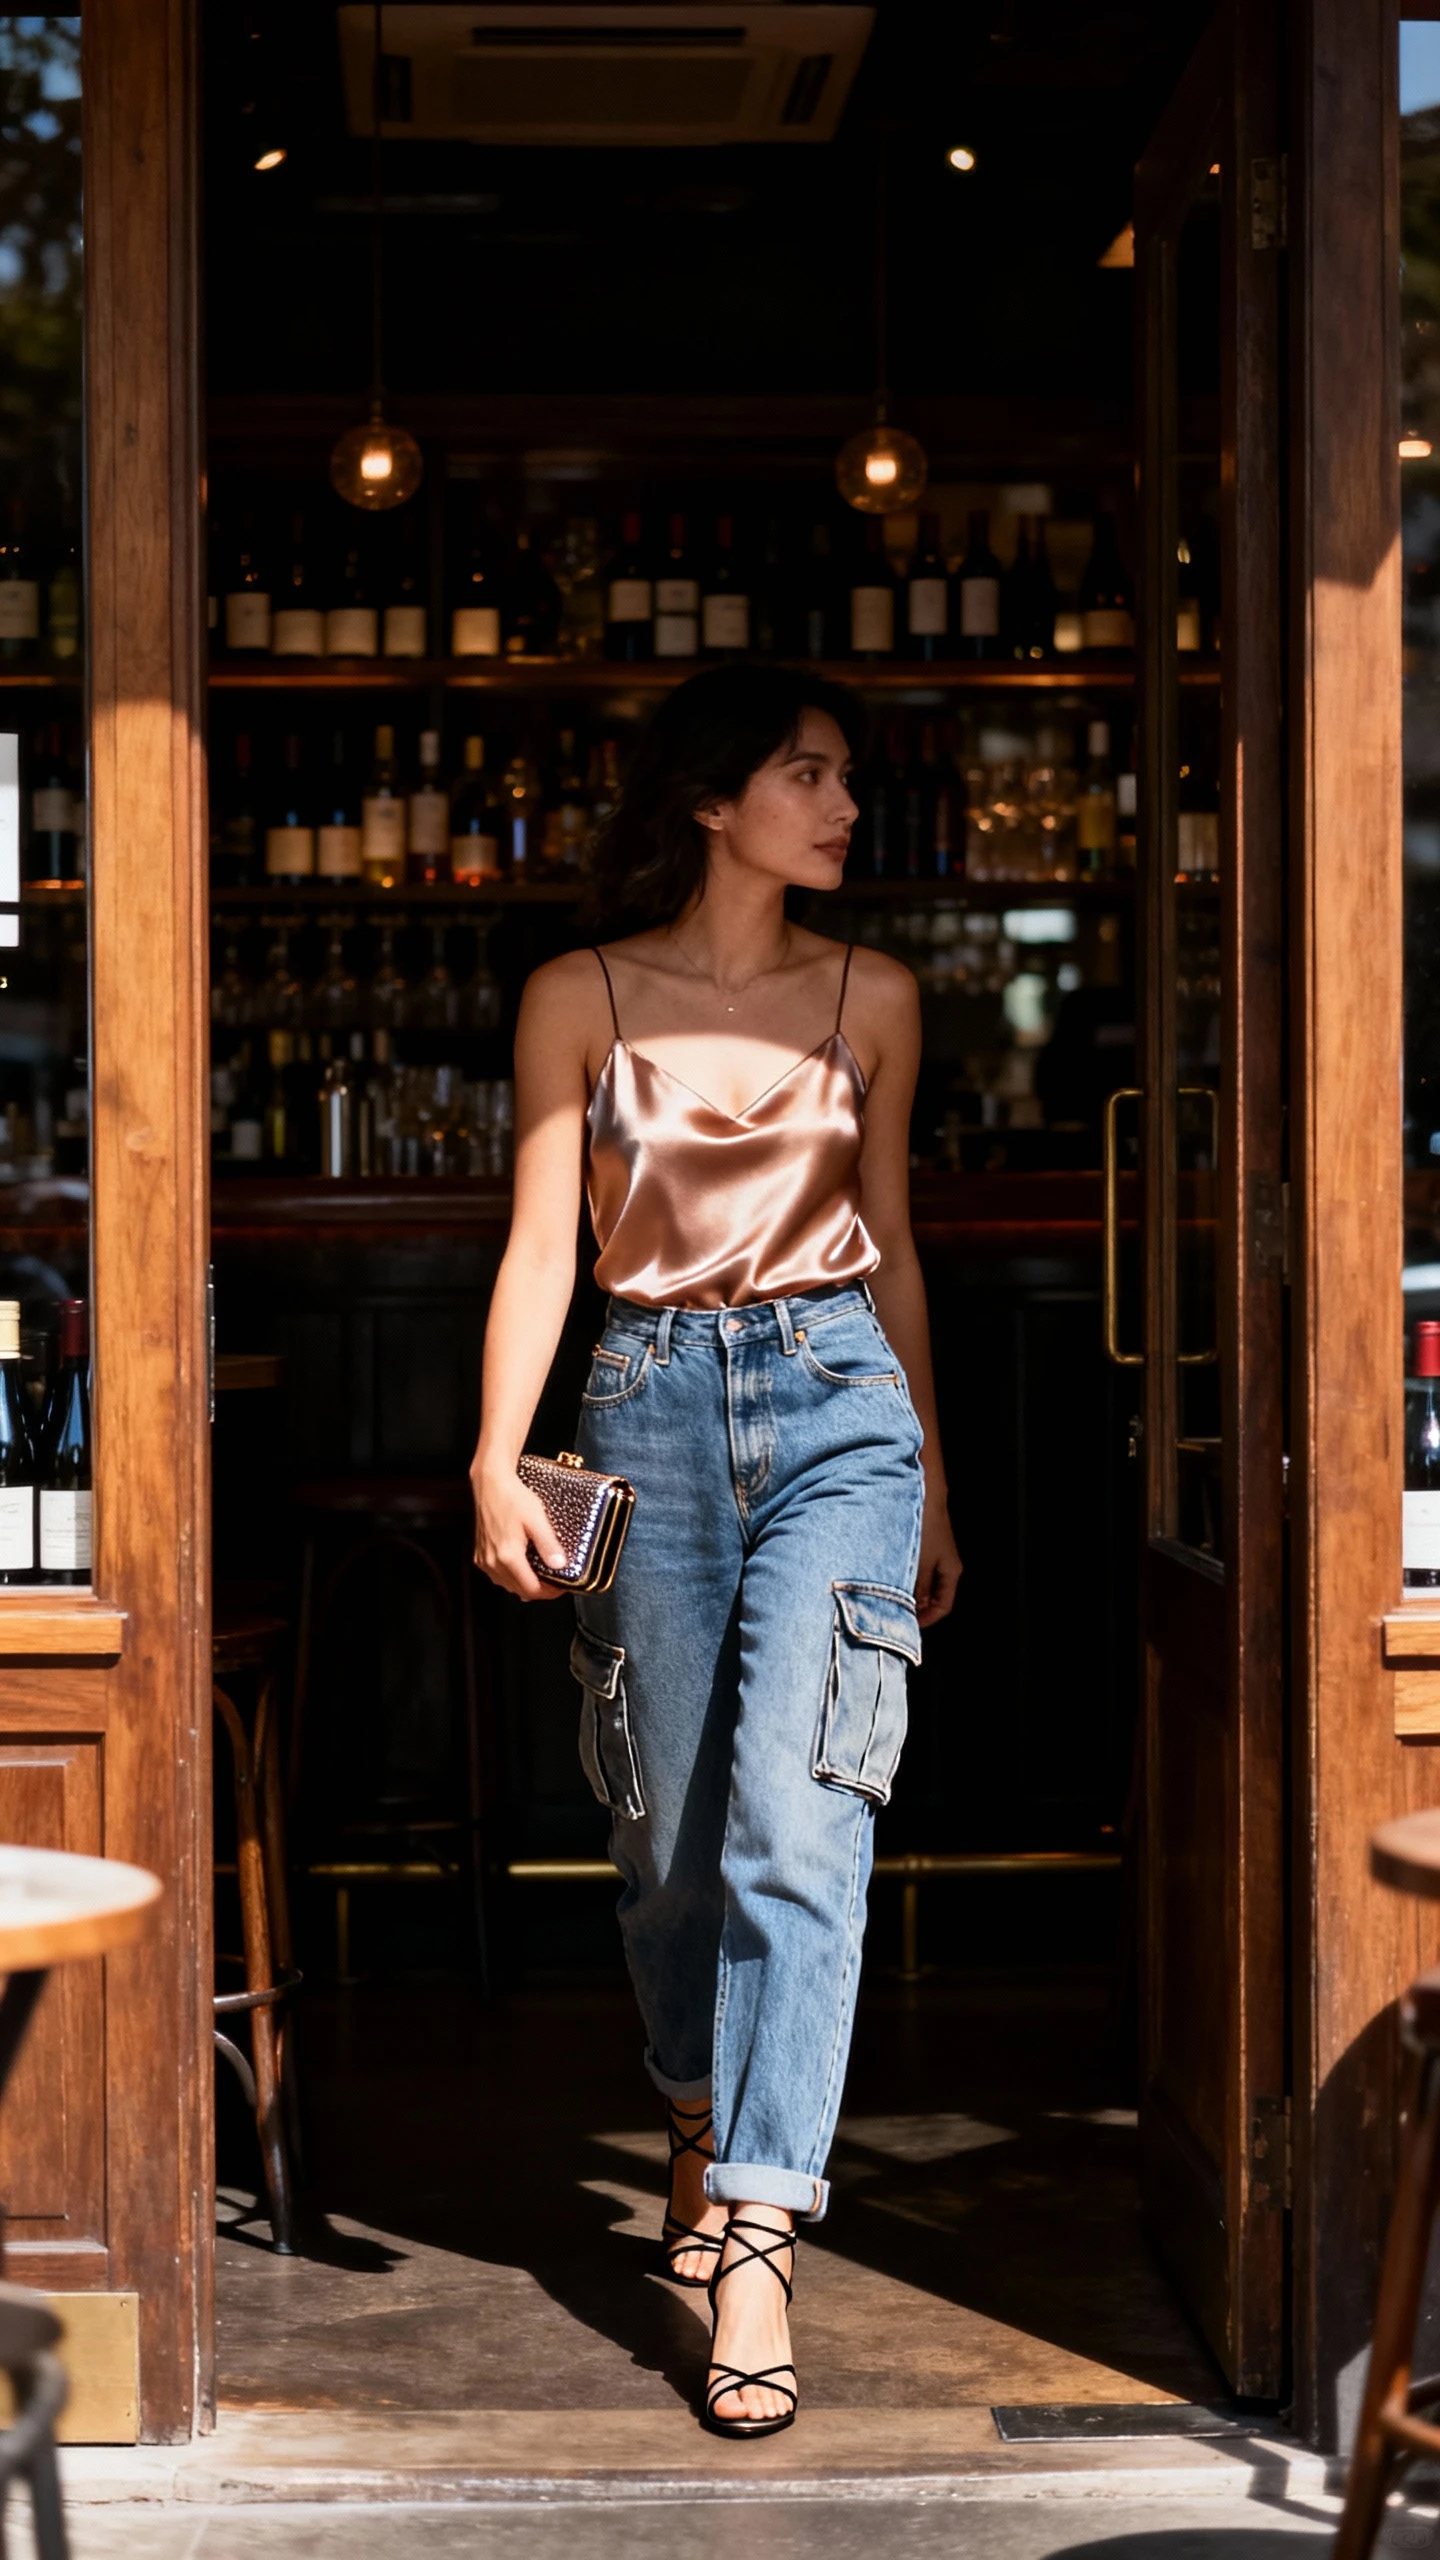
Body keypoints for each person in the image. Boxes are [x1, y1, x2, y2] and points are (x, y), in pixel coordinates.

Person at [472, 663, 961, 2439]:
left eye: (844, 779)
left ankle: (757, 2225)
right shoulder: (576, 998)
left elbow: (891, 1244)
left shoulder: (879, 997)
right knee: (667, 1834)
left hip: (839, 1402)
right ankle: (691, 2103)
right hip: (645, 1402)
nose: (842, 808)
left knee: (798, 1812)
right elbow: (544, 1245)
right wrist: (491, 1454)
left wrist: (938, 1480)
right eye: (807, 776)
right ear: (707, 802)